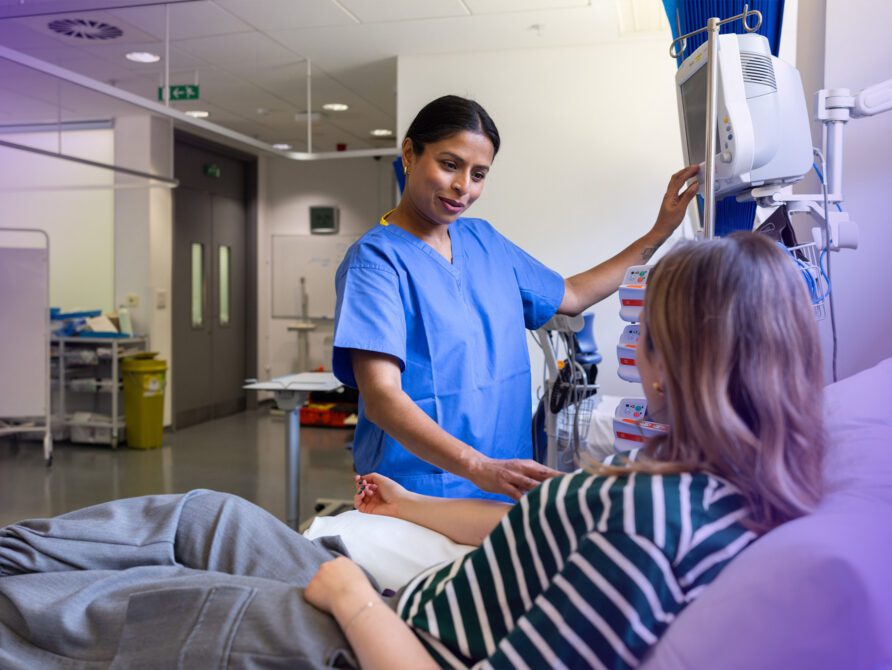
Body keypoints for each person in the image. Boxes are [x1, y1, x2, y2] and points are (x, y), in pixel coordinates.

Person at [0, 233, 825, 669]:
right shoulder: (689, 477)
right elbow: (520, 530)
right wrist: (411, 505)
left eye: (649, 330)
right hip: (397, 602)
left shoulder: (652, 522)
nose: (633, 344)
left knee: (108, 607)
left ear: (691, 354)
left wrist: (355, 600)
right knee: (201, 511)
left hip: (368, 642)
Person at [332, 95, 700, 502]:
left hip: (504, 481)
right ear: (409, 154)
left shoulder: (484, 241)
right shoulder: (375, 262)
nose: (463, 187)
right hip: (417, 492)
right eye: (449, 164)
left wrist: (658, 233)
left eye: (479, 174)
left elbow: (573, 294)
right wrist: (476, 466)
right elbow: (383, 398)